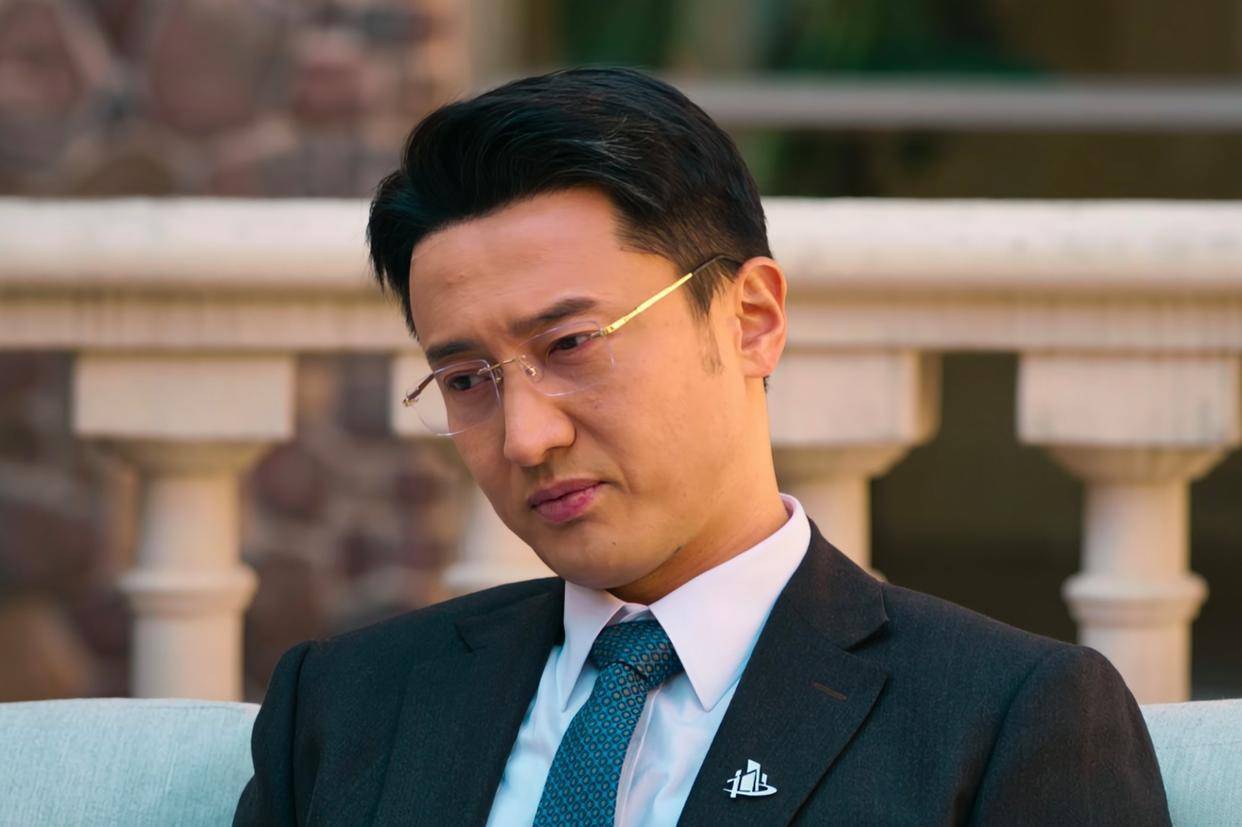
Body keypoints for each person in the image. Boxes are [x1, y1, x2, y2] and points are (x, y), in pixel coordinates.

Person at [233, 67, 1171, 826]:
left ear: (751, 318)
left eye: (572, 344)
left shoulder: (1005, 716)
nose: (526, 436)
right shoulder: (345, 704)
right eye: (468, 379)